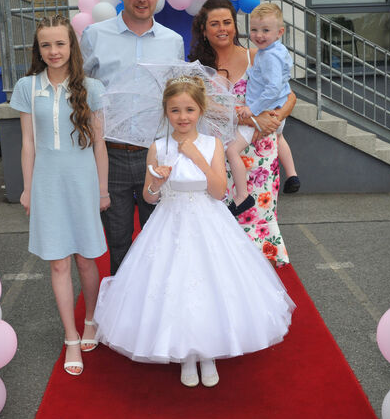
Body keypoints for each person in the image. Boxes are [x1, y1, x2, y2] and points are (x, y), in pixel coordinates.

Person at [93, 76, 294, 388]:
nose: (182, 116)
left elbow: (217, 191)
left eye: (189, 109)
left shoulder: (212, 144)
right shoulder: (158, 147)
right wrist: (157, 182)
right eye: (175, 110)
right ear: (166, 113)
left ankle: (209, 351)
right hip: (169, 221)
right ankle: (186, 354)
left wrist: (197, 158)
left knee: (210, 285)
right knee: (176, 286)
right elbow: (148, 197)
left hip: (207, 218)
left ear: (200, 110)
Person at [10, 15, 110, 376]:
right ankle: (70, 336)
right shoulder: (26, 87)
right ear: (38, 50)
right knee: (57, 262)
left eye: (60, 44)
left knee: (86, 260)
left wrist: (101, 190)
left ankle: (92, 320)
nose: (53, 51)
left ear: (72, 47)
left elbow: (100, 146)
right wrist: (27, 188)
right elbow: (27, 143)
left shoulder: (91, 87)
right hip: (46, 184)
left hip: (82, 183)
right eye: (46, 45)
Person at [81, 0, 185, 275]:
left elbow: (179, 97)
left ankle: (156, 312)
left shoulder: (172, 41)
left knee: (160, 240)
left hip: (157, 156)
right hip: (109, 156)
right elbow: (78, 90)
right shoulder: (94, 36)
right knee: (118, 243)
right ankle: (121, 316)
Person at [188, 0, 294, 266]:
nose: (222, 28)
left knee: (258, 218)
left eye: (227, 22)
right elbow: (198, 108)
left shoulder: (256, 55)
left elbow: (289, 96)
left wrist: (275, 117)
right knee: (221, 222)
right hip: (217, 154)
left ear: (235, 26)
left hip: (259, 155)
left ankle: (260, 290)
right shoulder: (197, 69)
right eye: (214, 23)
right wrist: (250, 120)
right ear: (203, 29)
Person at [225, 3, 300, 217]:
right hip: (278, 108)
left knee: (231, 150)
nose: (259, 35)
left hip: (263, 111)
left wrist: (252, 109)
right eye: (255, 29)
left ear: (280, 32)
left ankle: (242, 195)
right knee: (279, 137)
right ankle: (292, 174)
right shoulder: (278, 50)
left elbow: (272, 87)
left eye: (265, 30)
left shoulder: (267, 56)